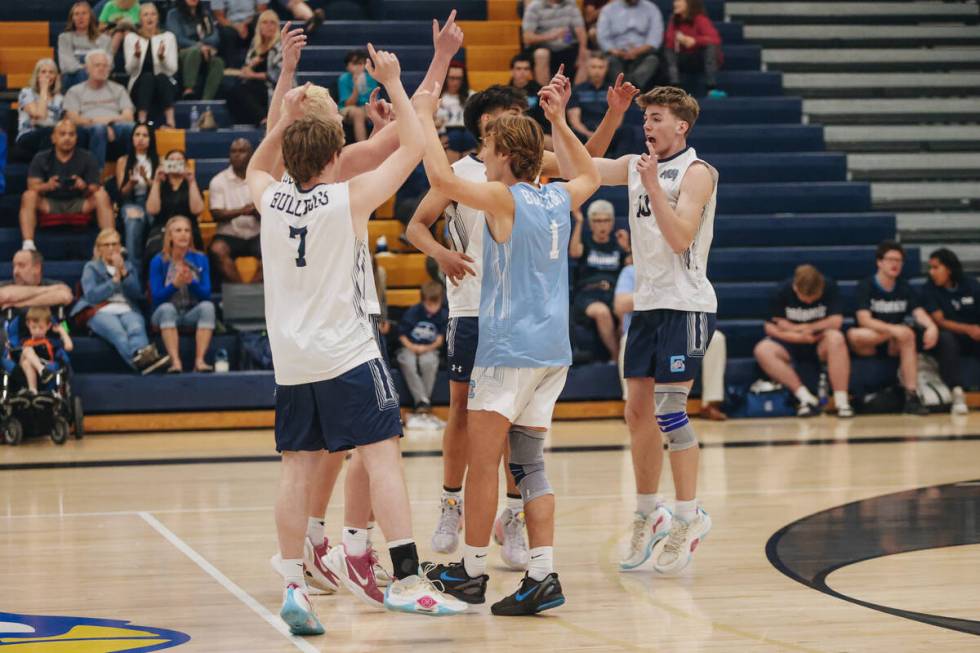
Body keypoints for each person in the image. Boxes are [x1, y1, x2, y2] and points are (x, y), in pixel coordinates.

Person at [245, 47, 467, 634]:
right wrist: (394, 83)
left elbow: (255, 168)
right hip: (345, 351)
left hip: (291, 362)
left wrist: (285, 118)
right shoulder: (347, 197)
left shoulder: (269, 199)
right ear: (337, 155)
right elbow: (416, 148)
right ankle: (409, 579)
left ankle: (295, 584)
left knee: (295, 469)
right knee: (382, 455)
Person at [407, 76, 637, 565]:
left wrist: (424, 118)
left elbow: (445, 182)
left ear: (506, 156)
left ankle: (470, 570)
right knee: (531, 465)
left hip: (507, 346)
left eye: (490, 150)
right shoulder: (559, 197)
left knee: (485, 463)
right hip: (552, 352)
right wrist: (557, 120)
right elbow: (590, 175)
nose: (484, 156)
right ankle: (543, 572)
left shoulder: (503, 198)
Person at [590, 86, 718, 575]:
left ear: (681, 126)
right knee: (636, 411)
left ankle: (689, 515)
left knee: (669, 407)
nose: (648, 125)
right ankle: (649, 512)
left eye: (656, 117)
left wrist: (648, 186)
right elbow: (577, 164)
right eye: (645, 117)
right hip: (646, 306)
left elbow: (681, 235)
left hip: (686, 305)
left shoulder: (697, 173)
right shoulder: (635, 165)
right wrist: (556, 120)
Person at [614, 263, 727, 421]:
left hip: (679, 326)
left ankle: (711, 403)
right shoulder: (631, 271)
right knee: (627, 341)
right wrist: (657, 295)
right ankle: (631, 403)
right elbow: (620, 305)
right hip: (647, 329)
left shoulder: (683, 268)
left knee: (716, 339)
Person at [847, 240, 936, 416]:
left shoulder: (904, 287)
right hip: (869, 341)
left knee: (908, 334)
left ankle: (911, 396)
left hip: (892, 344)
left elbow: (919, 313)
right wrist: (892, 330)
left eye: (899, 260)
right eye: (890, 259)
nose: (895, 264)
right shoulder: (866, 285)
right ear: (879, 262)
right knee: (854, 334)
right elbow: (864, 320)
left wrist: (932, 327)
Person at [754, 264, 853, 418]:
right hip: (790, 343)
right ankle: (805, 397)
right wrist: (797, 336)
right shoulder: (781, 291)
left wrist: (800, 327)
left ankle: (842, 401)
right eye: (804, 298)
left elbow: (836, 321)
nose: (808, 303)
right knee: (763, 350)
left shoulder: (830, 287)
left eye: (813, 299)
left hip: (819, 341)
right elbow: (770, 328)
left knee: (836, 338)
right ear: (795, 288)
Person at [74, 228, 169, 373]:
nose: (111, 248)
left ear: (120, 247)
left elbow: (137, 293)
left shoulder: (128, 266)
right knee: (117, 332)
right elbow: (92, 296)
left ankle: (145, 364)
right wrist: (114, 282)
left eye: (115, 244)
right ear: (99, 249)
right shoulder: (91, 267)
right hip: (99, 310)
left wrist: (124, 273)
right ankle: (144, 365)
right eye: (107, 245)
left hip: (127, 308)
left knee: (136, 327)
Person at [20, 120, 114, 253]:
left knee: (102, 195)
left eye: (71, 134)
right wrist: (47, 186)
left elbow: (95, 187)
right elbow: (32, 186)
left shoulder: (87, 157)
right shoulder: (41, 158)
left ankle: (110, 240)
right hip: (50, 203)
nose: (67, 138)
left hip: (79, 203)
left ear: (76, 138)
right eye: (62, 134)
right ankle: (28, 244)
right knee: (28, 196)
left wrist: (84, 187)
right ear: (53, 138)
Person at [148, 216, 216, 374]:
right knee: (167, 309)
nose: (183, 234)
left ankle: (199, 361)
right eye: (178, 231)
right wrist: (174, 285)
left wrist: (191, 282)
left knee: (208, 307)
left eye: (187, 230)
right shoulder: (158, 261)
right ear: (170, 236)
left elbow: (206, 294)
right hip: (163, 314)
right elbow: (156, 298)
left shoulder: (200, 259)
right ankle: (175, 362)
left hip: (190, 312)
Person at [570, 198, 630, 361]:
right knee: (601, 312)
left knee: (625, 312)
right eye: (597, 221)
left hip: (613, 293)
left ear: (612, 223)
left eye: (606, 220)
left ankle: (626, 356)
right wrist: (579, 222)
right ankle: (617, 357)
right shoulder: (586, 243)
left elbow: (633, 267)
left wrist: (627, 248)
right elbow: (574, 252)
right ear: (591, 223)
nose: (602, 225)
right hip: (588, 294)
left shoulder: (618, 244)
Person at [921, 248, 977, 415]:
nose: (932, 272)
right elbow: (940, 321)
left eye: (936, 268)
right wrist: (969, 329)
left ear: (949, 269)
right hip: (947, 338)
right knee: (947, 339)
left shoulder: (971, 285)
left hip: (973, 335)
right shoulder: (929, 289)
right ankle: (957, 393)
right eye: (930, 268)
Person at [63, 49, 135, 169]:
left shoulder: (118, 89)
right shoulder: (75, 91)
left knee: (132, 128)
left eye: (105, 66)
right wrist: (101, 124)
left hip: (115, 127)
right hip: (87, 130)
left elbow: (129, 117)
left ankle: (131, 170)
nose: (102, 69)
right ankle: (95, 177)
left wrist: (108, 123)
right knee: (99, 129)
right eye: (97, 65)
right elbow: (73, 119)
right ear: (87, 69)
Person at [208, 138, 262, 284]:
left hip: (256, 233)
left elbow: (271, 214)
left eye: (242, 151)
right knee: (217, 249)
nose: (237, 155)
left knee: (277, 248)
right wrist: (242, 211)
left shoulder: (261, 179)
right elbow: (216, 214)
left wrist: (257, 212)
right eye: (233, 151)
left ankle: (252, 288)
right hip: (229, 235)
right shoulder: (218, 180)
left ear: (251, 155)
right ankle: (240, 289)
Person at [143, 149, 205, 271]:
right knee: (154, 249)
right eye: (171, 160)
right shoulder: (159, 185)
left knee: (193, 244)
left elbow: (197, 210)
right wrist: (156, 181)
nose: (175, 163)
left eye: (179, 161)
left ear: (185, 165)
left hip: (188, 228)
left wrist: (191, 181)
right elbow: (152, 210)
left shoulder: (192, 184)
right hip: (162, 227)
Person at [397, 281, 448, 428]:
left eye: (435, 304)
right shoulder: (413, 311)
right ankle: (424, 401)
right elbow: (402, 335)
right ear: (423, 300)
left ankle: (421, 403)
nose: (432, 308)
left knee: (429, 362)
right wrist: (413, 346)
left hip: (430, 348)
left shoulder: (443, 315)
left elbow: (439, 340)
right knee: (407, 361)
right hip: (410, 347)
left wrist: (425, 349)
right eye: (428, 304)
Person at [123, 3, 179, 129]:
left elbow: (173, 69)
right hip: (139, 86)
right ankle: (142, 122)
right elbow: (129, 70)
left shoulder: (168, 37)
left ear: (158, 18)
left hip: (163, 86)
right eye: (146, 14)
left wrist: (162, 58)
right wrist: (136, 56)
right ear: (140, 19)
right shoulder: (131, 38)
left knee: (161, 77)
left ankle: (171, 121)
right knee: (148, 77)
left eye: (153, 14)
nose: (150, 17)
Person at [227, 10, 282, 126]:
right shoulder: (255, 44)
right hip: (255, 86)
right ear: (259, 26)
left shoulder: (281, 46)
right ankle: (255, 120)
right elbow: (248, 67)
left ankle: (264, 119)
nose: (269, 26)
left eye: (272, 23)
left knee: (242, 89)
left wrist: (253, 75)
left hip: (274, 88)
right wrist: (251, 65)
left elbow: (278, 75)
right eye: (265, 23)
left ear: (277, 26)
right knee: (231, 90)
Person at [116, 122, 158, 274]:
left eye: (145, 135)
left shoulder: (158, 161)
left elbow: (160, 189)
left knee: (156, 219)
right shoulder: (123, 161)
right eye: (137, 135)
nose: (141, 139)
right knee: (133, 222)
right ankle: (134, 275)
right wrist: (131, 183)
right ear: (132, 138)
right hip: (131, 202)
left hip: (152, 202)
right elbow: (122, 193)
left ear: (151, 139)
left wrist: (147, 180)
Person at [596, 0, 664, 91]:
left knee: (653, 60)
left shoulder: (651, 9)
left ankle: (631, 88)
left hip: (643, 54)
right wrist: (616, 51)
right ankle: (624, 90)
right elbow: (602, 37)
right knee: (610, 61)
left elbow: (655, 38)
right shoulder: (609, 9)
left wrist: (637, 51)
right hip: (617, 54)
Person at [6, 306, 73, 398]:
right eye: (34, 327)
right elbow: (10, 356)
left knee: (26, 362)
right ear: (28, 324)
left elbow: (69, 347)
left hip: (45, 363)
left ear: (48, 326)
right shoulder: (23, 341)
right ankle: (41, 372)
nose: (37, 331)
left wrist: (61, 331)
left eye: (41, 328)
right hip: (23, 368)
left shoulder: (51, 342)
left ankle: (33, 390)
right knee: (26, 350)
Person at [166, 0, 225, 100]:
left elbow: (215, 36)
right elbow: (177, 38)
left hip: (205, 52)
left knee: (218, 62)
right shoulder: (174, 14)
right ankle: (189, 90)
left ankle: (206, 100)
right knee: (194, 52)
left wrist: (205, 45)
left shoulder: (204, 14)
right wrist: (199, 46)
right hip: (183, 52)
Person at [665, 0, 725, 97]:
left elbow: (715, 39)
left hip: (698, 59)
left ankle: (711, 87)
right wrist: (680, 40)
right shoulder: (673, 20)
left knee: (710, 47)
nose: (675, 3)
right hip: (682, 58)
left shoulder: (700, 19)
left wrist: (695, 41)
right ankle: (675, 86)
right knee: (668, 50)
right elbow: (669, 40)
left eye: (679, 1)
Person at [522, 0, 588, 85]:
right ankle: (545, 95)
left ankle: (575, 95)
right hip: (544, 46)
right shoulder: (534, 6)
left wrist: (582, 50)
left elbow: (580, 30)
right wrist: (551, 36)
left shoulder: (571, 3)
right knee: (541, 54)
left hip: (568, 46)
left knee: (586, 54)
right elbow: (527, 37)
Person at [16, 59, 65, 160]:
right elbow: (40, 115)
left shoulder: (59, 98)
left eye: (51, 72)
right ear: (37, 75)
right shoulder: (27, 93)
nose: (47, 75)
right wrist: (44, 90)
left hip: (53, 134)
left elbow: (61, 123)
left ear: (56, 77)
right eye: (43, 72)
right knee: (48, 132)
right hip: (29, 133)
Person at [59, 2, 112, 91]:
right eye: (77, 14)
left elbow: (109, 63)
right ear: (72, 18)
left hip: (98, 77)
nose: (80, 17)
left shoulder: (104, 39)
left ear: (90, 17)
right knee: (82, 74)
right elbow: (66, 65)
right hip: (72, 78)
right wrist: (88, 67)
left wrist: (89, 68)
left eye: (84, 13)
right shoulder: (64, 38)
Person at [0, 250, 74, 309]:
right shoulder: (4, 285)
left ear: (37, 268)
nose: (15, 271)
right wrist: (48, 290)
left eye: (21, 265)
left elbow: (65, 296)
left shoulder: (52, 283)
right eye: (14, 266)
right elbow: (4, 296)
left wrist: (19, 304)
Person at [567, 52, 614, 144]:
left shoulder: (613, 90)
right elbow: (574, 120)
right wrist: (587, 133)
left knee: (627, 131)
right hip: (583, 131)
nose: (597, 71)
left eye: (600, 67)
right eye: (593, 67)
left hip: (608, 130)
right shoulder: (577, 90)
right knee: (572, 133)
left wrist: (604, 133)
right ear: (587, 68)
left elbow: (617, 117)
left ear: (606, 69)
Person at [337, 49, 378, 143]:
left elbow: (375, 99)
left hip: (367, 107)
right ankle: (363, 147)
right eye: (355, 63)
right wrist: (356, 86)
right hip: (348, 108)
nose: (359, 66)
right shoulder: (344, 79)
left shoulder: (370, 78)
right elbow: (348, 103)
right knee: (358, 113)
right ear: (348, 66)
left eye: (361, 63)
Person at [437, 61, 476, 155]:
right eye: (452, 78)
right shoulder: (438, 96)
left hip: (467, 133)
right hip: (445, 134)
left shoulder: (472, 96)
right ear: (446, 78)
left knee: (469, 137)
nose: (455, 82)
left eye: (459, 78)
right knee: (455, 137)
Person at [507, 53, 549, 138]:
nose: (522, 72)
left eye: (526, 69)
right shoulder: (504, 93)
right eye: (518, 69)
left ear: (530, 72)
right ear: (512, 72)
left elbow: (545, 119)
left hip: (537, 133)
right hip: (511, 132)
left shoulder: (540, 91)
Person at [212, 0, 265, 65]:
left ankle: (259, 65)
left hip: (251, 21)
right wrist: (236, 26)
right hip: (229, 24)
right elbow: (219, 16)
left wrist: (244, 24)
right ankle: (232, 68)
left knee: (261, 22)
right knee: (227, 33)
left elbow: (262, 10)